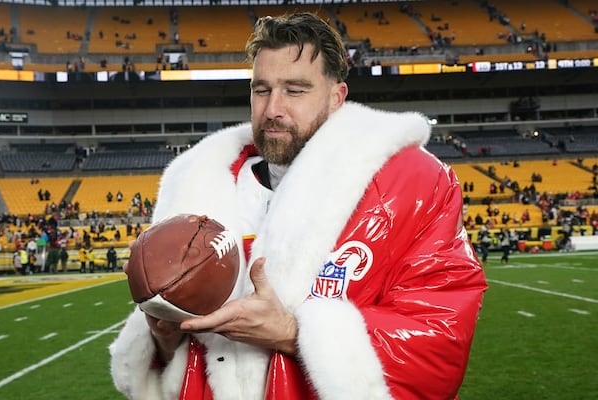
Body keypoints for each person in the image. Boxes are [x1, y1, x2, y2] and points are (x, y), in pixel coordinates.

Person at [110, 12, 487, 400]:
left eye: (294, 90)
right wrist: (164, 335)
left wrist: (292, 332)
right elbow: (172, 365)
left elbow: (440, 337)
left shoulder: (412, 184)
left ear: (337, 98)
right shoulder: (193, 186)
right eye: (261, 89)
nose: (273, 108)